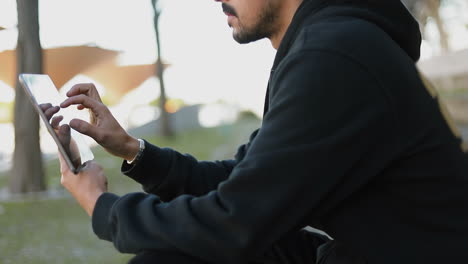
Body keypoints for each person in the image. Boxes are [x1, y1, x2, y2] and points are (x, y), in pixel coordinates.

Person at [48, 0, 468, 263]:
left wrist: (103, 208)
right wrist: (133, 150)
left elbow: (233, 225)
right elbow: (243, 179)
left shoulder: (334, 55)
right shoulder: (330, 43)